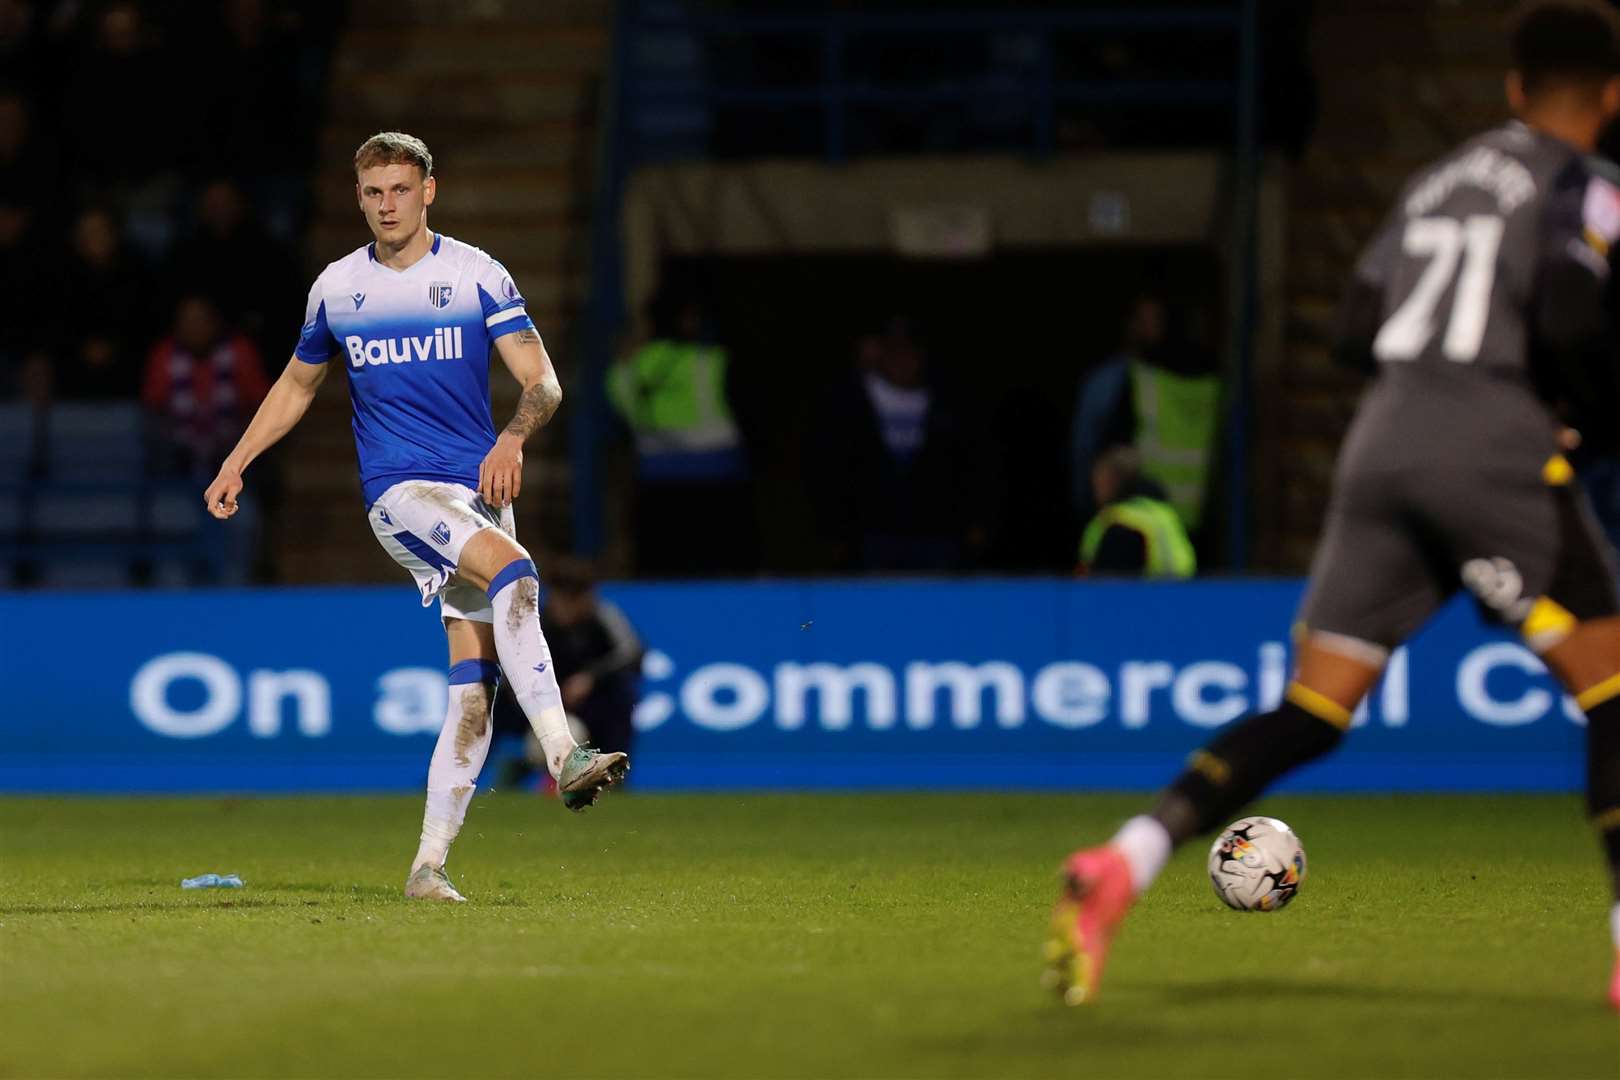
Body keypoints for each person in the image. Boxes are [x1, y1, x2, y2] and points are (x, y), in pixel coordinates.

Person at [1045, 0, 1620, 1012]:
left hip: (1382, 442)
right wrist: (1575, 414)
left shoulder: (1438, 180)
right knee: (1615, 687)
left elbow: (1356, 328)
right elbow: (1574, 310)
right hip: (1488, 440)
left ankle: (1125, 860)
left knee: (1316, 705)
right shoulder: (1589, 183)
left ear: (1514, 90)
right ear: (1611, 97)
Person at [203, 132, 628, 903]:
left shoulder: (475, 275)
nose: (386, 205)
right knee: (518, 574)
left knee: (475, 687)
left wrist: (512, 435)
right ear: (358, 196)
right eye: (372, 193)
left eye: (400, 190)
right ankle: (565, 753)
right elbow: (298, 386)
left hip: (478, 495)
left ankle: (427, 868)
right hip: (402, 496)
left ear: (429, 190)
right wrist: (238, 459)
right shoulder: (337, 287)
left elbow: (544, 383)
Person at [493, 558, 643, 788]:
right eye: (563, 599)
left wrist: (591, 678)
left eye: (577, 599)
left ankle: (615, 777)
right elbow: (508, 664)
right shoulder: (534, 623)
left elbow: (633, 653)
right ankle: (475, 775)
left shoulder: (603, 617)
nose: (568, 608)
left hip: (590, 707)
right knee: (494, 702)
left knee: (623, 696)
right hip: (540, 707)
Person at [143, 293, 269, 477]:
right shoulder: (164, 356)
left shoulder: (239, 352)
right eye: (188, 321)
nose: (194, 328)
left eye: (200, 320)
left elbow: (261, 403)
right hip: (177, 455)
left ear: (215, 322)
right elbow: (153, 406)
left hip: (234, 453)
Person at [1077, 445, 1195, 578]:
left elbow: (1113, 583)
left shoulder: (1121, 523)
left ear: (1112, 480)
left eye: (1099, 480)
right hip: (1182, 593)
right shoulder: (1162, 511)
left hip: (1144, 595)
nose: (1095, 488)